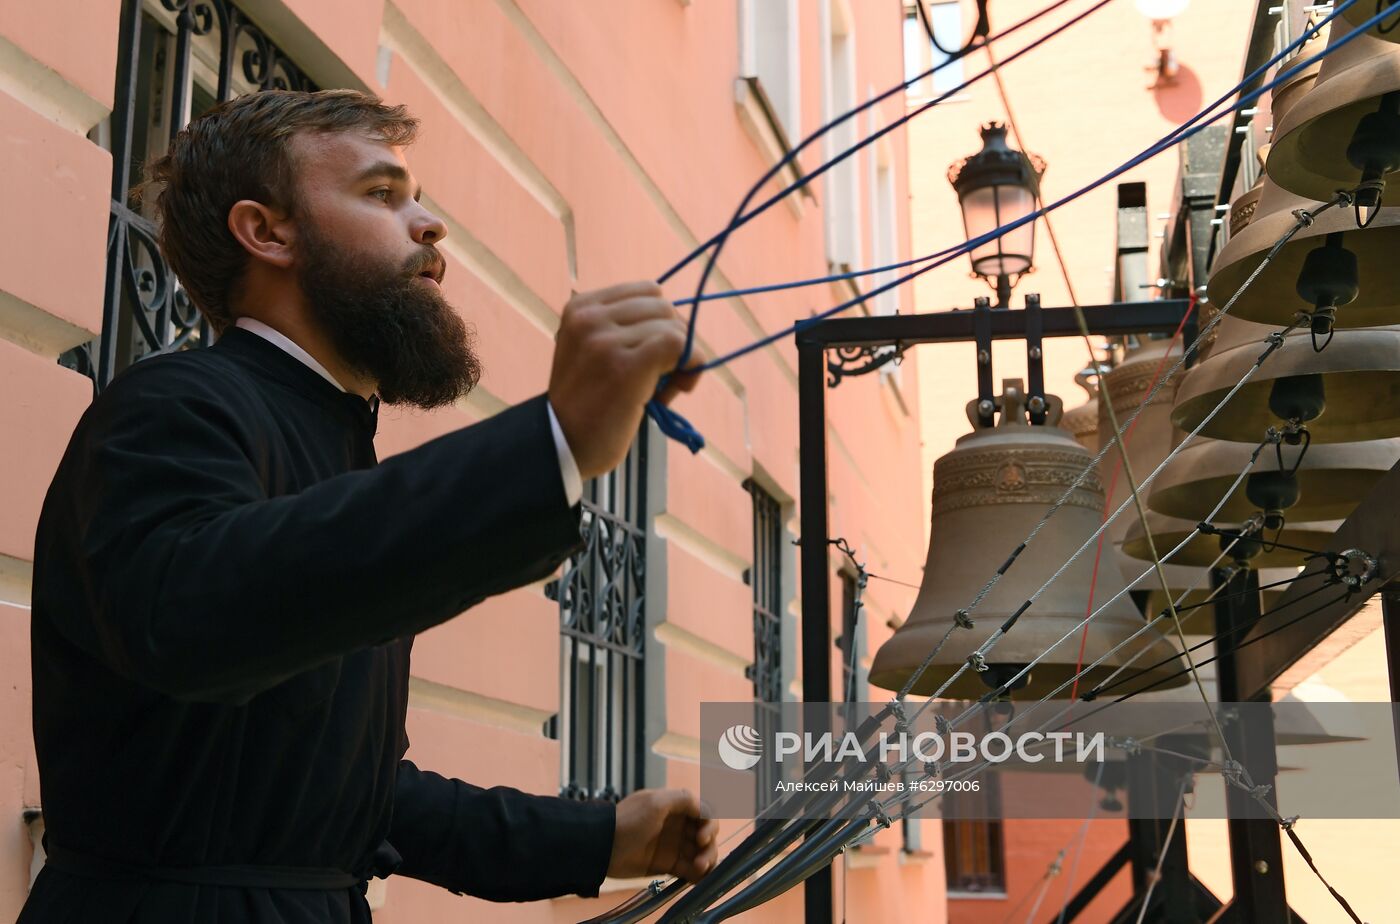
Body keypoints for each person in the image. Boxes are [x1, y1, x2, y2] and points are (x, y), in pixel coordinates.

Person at [19, 88, 716, 923]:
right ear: (266, 231)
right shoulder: (172, 404)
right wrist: (550, 446)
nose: (429, 225)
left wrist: (595, 838)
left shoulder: (336, 438)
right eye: (383, 195)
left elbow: (350, 792)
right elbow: (197, 618)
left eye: (416, 197)